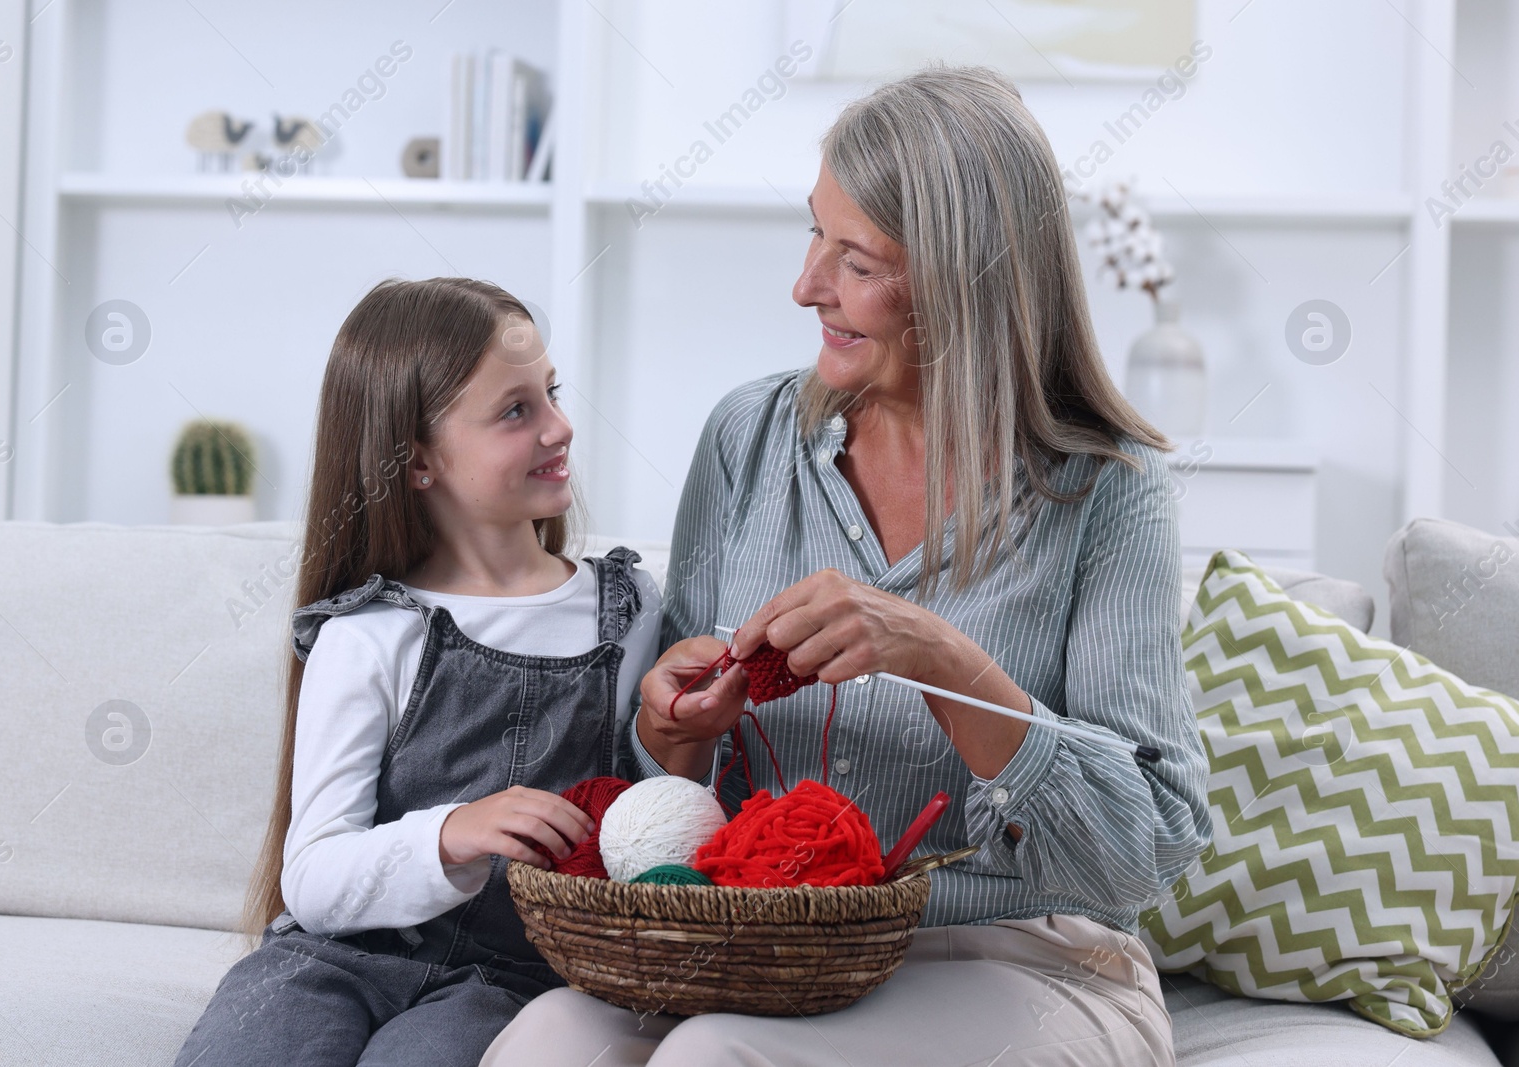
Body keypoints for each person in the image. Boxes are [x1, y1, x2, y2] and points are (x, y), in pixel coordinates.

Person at [480, 64, 1212, 1067]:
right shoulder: (747, 435)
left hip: (1022, 956)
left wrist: (944, 661)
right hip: (756, 941)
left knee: (712, 1058)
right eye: (813, 233)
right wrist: (671, 729)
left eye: (856, 259)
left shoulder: (1109, 490)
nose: (805, 285)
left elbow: (1147, 850)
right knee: (541, 1046)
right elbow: (670, 796)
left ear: (966, 281)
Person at [173, 277, 663, 1067]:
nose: (560, 426)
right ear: (418, 462)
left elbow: (659, 808)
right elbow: (315, 878)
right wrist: (452, 832)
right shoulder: (369, 631)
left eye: (552, 393)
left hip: (509, 980)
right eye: (516, 410)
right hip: (325, 961)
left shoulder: (625, 608)